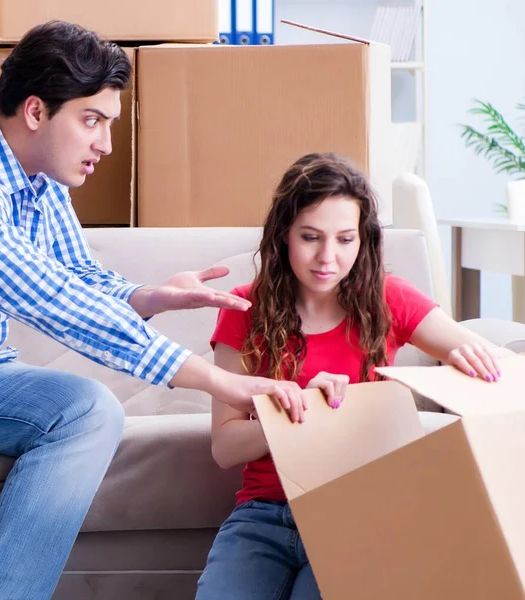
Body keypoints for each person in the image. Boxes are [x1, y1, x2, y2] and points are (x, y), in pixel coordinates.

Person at [0, 20, 306, 600]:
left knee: (88, 411)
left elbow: (74, 274)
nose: (104, 144)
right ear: (35, 110)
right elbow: (51, 300)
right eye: (92, 121)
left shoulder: (36, 164)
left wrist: (144, 296)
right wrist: (222, 383)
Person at [195, 152, 503, 600]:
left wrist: (476, 367)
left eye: (345, 239)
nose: (327, 257)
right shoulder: (244, 309)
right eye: (310, 237)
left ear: (364, 240)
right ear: (284, 235)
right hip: (264, 515)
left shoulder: (387, 298)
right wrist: (300, 406)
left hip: (357, 510)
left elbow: (480, 359)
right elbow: (225, 447)